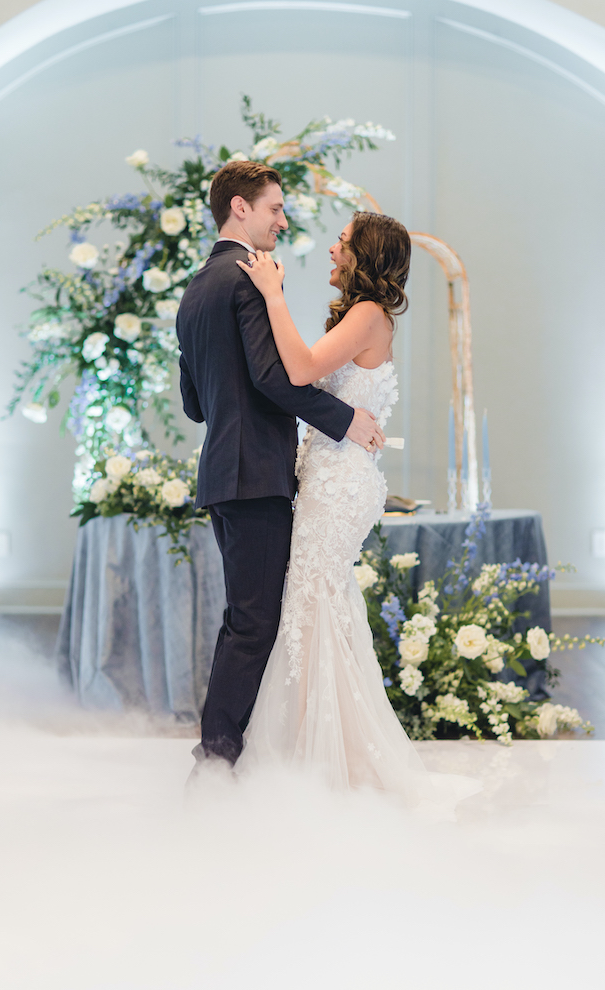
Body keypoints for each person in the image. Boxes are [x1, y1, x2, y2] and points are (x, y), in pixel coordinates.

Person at [235, 213, 473, 809]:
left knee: (313, 603)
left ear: (363, 252)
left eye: (343, 239)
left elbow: (300, 370)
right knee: (318, 605)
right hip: (330, 472)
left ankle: (327, 760)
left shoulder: (367, 315)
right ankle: (321, 748)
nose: (334, 245)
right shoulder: (362, 314)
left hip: (339, 482)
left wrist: (271, 293)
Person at [176, 161, 385, 773]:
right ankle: (213, 765)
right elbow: (274, 377)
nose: (283, 220)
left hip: (223, 472)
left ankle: (229, 760)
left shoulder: (194, 288)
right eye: (275, 208)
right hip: (254, 474)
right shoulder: (246, 279)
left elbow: (194, 404)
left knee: (245, 617)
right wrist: (345, 419)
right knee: (252, 625)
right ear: (239, 208)